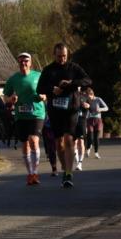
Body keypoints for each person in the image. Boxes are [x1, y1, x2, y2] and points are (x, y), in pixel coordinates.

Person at [37, 43, 91, 188]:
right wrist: (52, 89)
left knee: (68, 139)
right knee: (59, 143)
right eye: (59, 56)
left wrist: (71, 83)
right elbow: (39, 88)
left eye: (64, 56)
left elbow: (87, 80)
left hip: (71, 109)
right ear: (54, 55)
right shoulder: (48, 70)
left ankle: (68, 173)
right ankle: (65, 167)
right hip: (55, 110)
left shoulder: (73, 68)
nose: (62, 59)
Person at [3, 52, 47, 185]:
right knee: (25, 144)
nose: (23, 63)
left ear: (30, 62)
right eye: (21, 61)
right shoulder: (13, 79)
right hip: (21, 115)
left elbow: (47, 92)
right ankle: (30, 173)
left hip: (37, 113)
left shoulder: (38, 76)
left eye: (26, 60)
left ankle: (35, 172)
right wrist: (11, 99)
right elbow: (5, 97)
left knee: (33, 140)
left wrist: (43, 96)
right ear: (18, 63)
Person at [84, 87, 108, 159]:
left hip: (98, 120)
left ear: (92, 95)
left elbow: (106, 108)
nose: (89, 99)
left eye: (90, 97)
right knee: (90, 137)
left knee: (96, 138)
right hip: (89, 120)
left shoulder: (98, 99)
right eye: (87, 97)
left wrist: (100, 109)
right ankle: (88, 149)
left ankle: (96, 153)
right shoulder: (86, 100)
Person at [73, 87, 88, 171]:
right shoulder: (70, 95)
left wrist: (88, 106)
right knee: (74, 143)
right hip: (72, 121)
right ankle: (77, 161)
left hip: (82, 121)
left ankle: (80, 163)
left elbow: (91, 107)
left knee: (81, 142)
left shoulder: (84, 96)